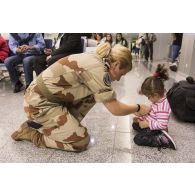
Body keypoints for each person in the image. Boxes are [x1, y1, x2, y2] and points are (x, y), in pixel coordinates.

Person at [11, 42, 150, 152]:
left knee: (93, 95)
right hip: (38, 104)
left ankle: (59, 126)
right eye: (122, 73)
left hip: (45, 98)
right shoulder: (99, 70)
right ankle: (34, 134)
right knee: (80, 142)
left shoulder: (97, 59)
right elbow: (115, 109)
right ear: (116, 65)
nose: (119, 79)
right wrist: (138, 107)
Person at [132, 64, 176, 150]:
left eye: (148, 97)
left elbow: (163, 124)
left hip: (157, 128)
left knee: (138, 139)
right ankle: (154, 133)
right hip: (153, 124)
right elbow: (152, 114)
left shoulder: (162, 106)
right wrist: (142, 118)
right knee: (135, 125)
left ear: (155, 95)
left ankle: (161, 139)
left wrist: (148, 124)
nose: (148, 99)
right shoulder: (157, 101)